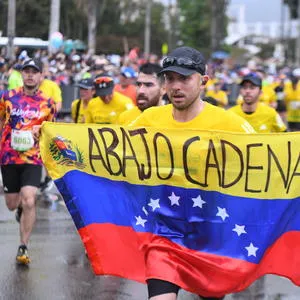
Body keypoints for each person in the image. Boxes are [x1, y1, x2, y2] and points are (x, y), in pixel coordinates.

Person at [130, 46, 255, 300]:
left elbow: (268, 159)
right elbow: (107, 148)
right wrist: (52, 138)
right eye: (170, 78)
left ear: (203, 82)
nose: (176, 86)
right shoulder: (149, 119)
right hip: (165, 233)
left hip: (211, 236)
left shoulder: (230, 124)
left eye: (184, 78)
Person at [0, 58, 56, 265]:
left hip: (32, 157)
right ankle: (21, 210)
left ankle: (23, 246)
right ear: (22, 75)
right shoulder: (7, 97)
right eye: (26, 71)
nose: (30, 75)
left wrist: (39, 130)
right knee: (12, 204)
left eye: (34, 71)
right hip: (9, 156)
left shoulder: (48, 103)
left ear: (41, 76)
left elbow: (51, 130)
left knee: (30, 199)